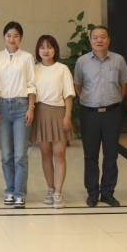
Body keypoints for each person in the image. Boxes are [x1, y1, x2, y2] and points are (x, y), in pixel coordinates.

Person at [74, 25, 127, 207]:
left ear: (109, 40)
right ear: (90, 40)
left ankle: (108, 193)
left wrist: (115, 101)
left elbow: (124, 84)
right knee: (90, 155)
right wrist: (90, 100)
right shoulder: (82, 62)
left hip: (112, 113)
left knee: (111, 154)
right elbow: (78, 86)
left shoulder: (118, 60)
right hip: (89, 113)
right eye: (95, 37)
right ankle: (92, 192)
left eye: (103, 37)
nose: (99, 40)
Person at [0, 21, 36, 209]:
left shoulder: (27, 57)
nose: (12, 39)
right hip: (1, 106)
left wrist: (31, 108)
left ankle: (20, 194)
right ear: (4, 37)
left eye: (16, 36)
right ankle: (9, 191)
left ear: (21, 38)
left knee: (20, 155)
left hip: (21, 106)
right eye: (9, 35)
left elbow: (31, 84)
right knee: (6, 154)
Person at [31, 34, 75, 209]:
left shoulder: (62, 69)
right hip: (40, 113)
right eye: (42, 47)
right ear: (38, 50)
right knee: (46, 154)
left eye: (49, 47)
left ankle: (58, 192)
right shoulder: (34, 69)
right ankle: (50, 189)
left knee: (59, 154)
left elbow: (68, 94)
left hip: (58, 113)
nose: (46, 50)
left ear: (55, 50)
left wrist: (67, 116)